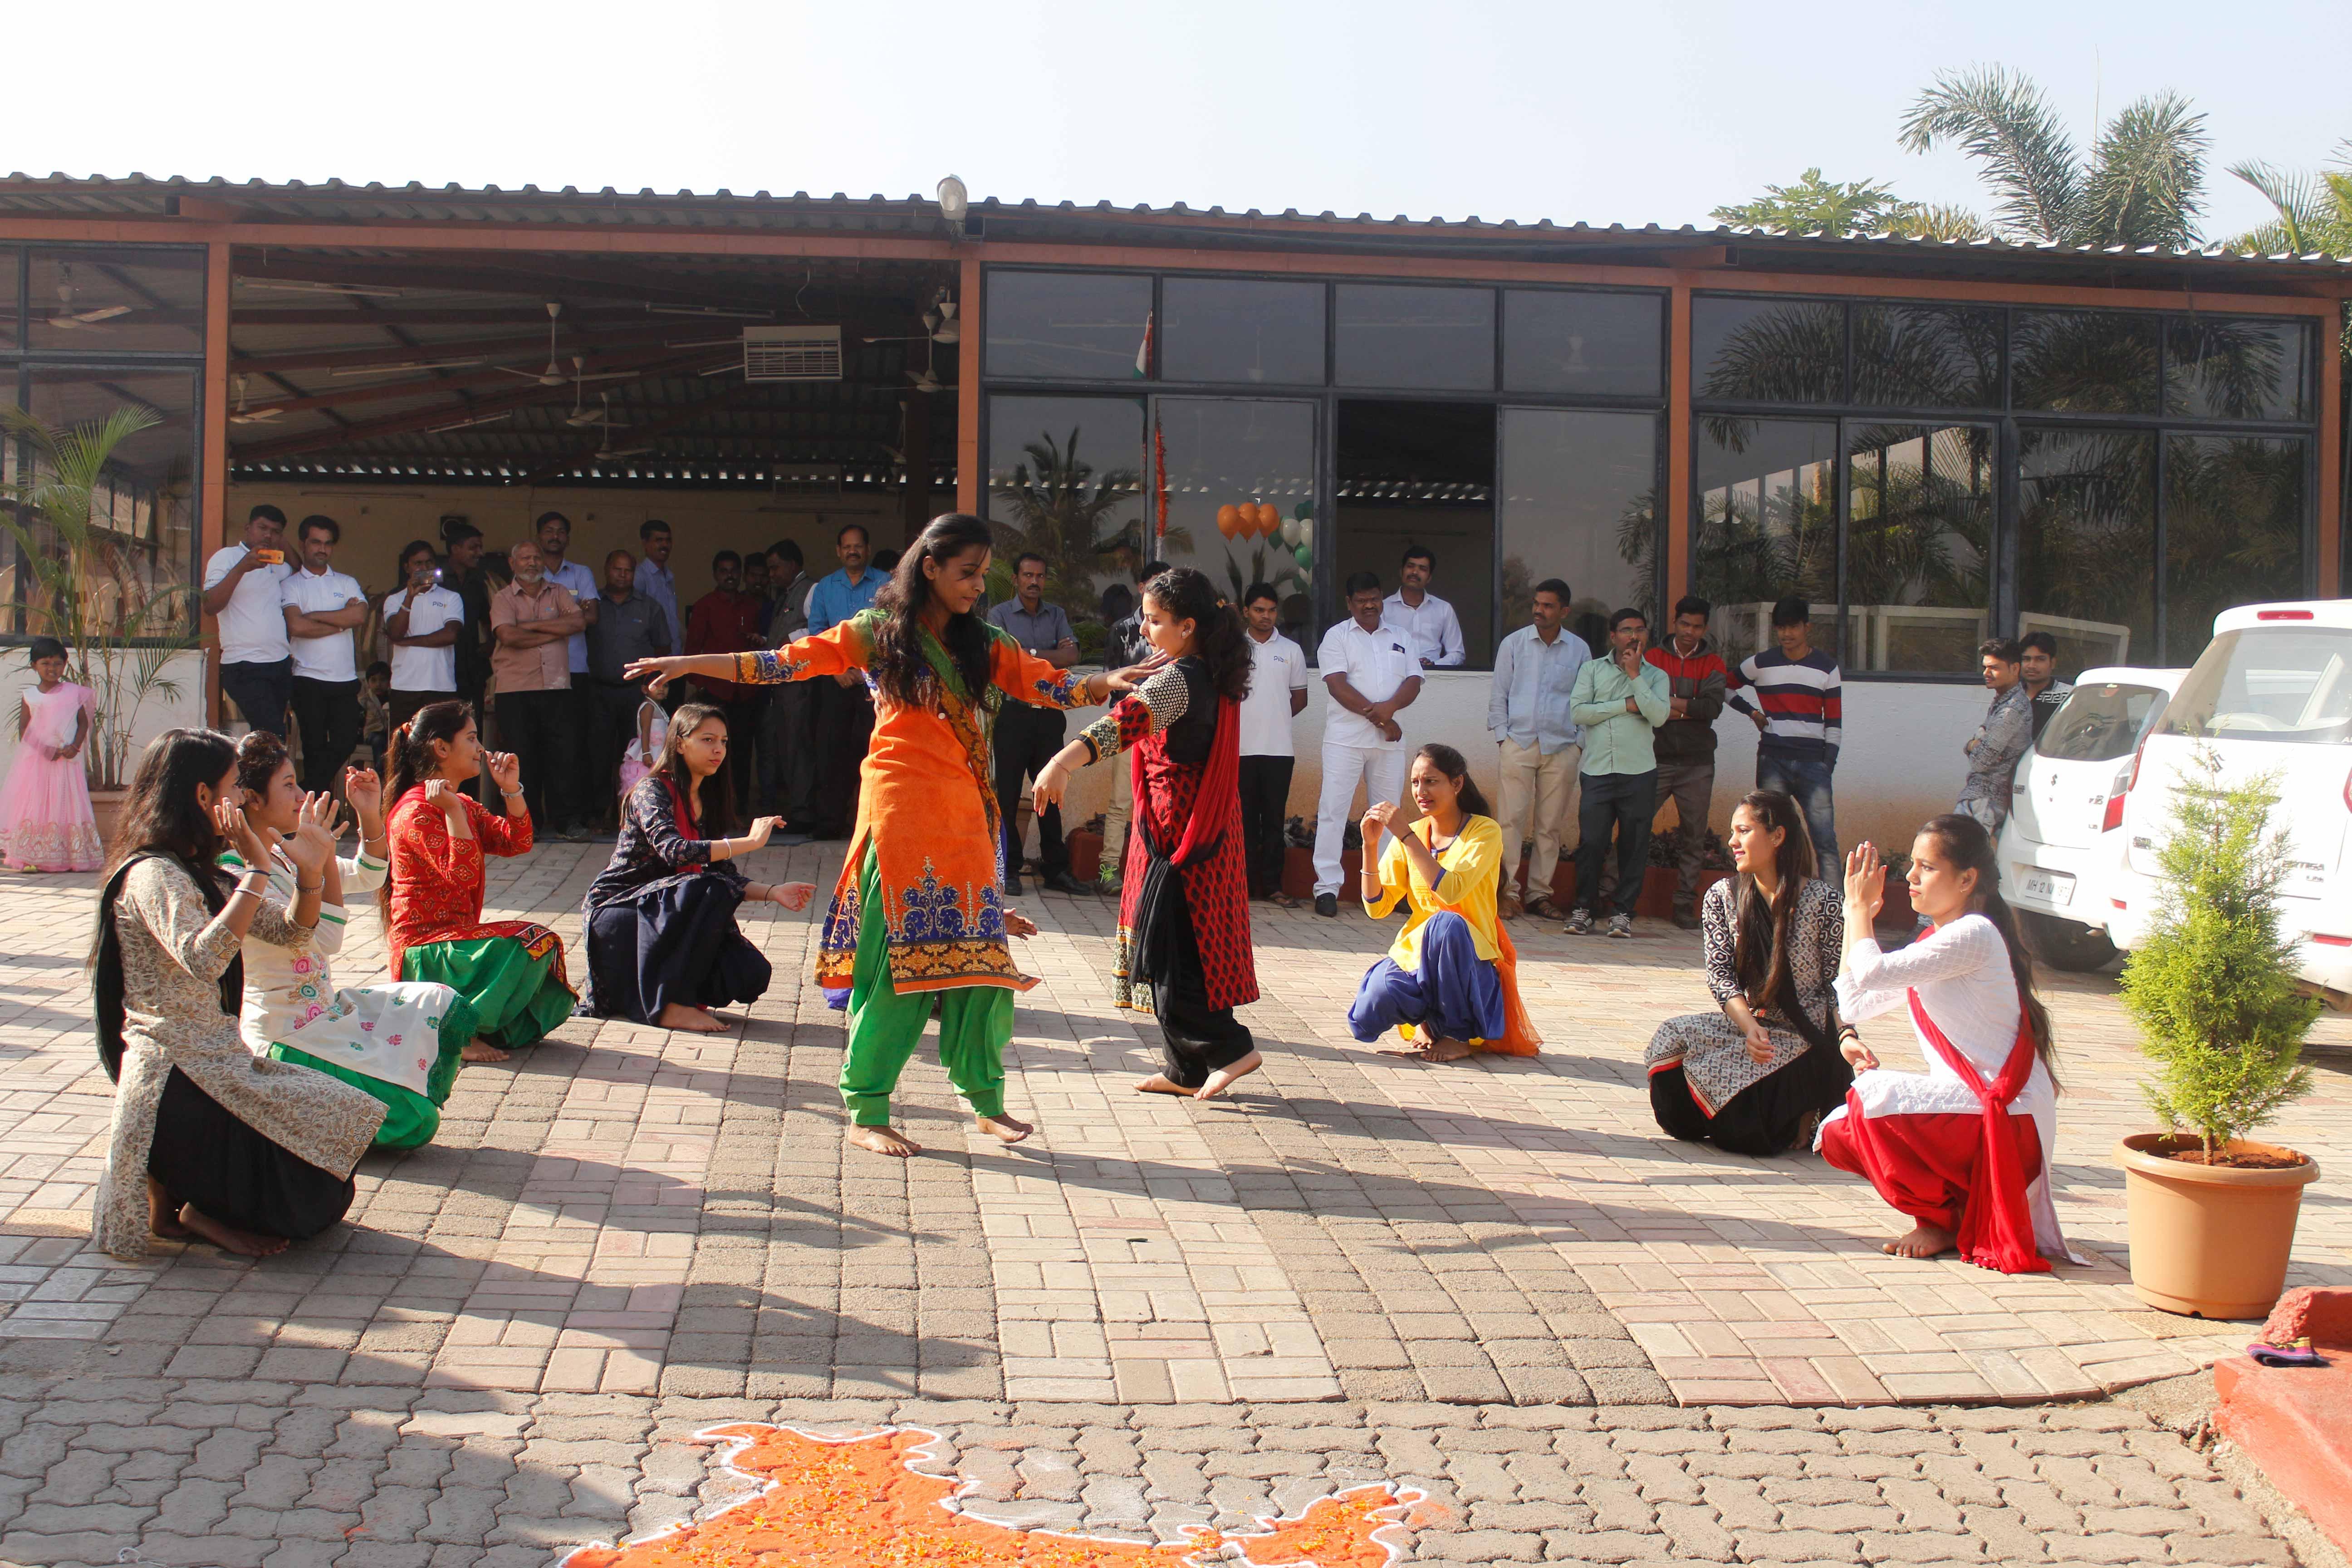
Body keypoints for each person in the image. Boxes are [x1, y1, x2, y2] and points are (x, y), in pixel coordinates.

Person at [625, 513, 1126, 1159]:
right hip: (900, 815)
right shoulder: (877, 633)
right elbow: (782, 663)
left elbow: (1046, 682)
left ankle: (986, 1101)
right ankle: (867, 1108)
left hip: (967, 820)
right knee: (899, 966)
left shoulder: (986, 641)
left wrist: (1104, 683)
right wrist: (691, 662)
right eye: (967, 573)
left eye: (982, 574)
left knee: (982, 967)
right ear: (930, 568)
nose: (979, 585)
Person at [88, 727, 386, 1260]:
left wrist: (313, 871)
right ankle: (196, 1209)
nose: (240, 797)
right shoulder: (155, 874)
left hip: (219, 1061)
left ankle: (190, 1206)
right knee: (309, 1201)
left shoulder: (201, 870)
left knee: (342, 1124)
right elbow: (204, 959)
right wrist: (256, 871)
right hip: (173, 1075)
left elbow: (295, 932)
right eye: (232, 788)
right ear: (203, 796)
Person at [1032, 567, 1264, 1099]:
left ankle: (1230, 1048)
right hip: (1190, 824)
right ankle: (1185, 1069)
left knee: (1172, 946)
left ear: (1187, 626)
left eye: (1154, 620)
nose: (1143, 629)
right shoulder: (1201, 669)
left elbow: (1122, 724)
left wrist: (1061, 764)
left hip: (1181, 833)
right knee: (1179, 943)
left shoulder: (1180, 679)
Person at [1821, 819, 2077, 1272]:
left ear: (1966, 880)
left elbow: (1873, 972)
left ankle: (1940, 1222)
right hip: (1980, 1109)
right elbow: (1856, 1000)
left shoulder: (1974, 934)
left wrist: (1859, 910)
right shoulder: (1938, 941)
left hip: (2010, 1115)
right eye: (1912, 865)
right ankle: (1951, 1216)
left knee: (1870, 1098)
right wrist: (1855, 916)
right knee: (1839, 1132)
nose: (1912, 877)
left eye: (1927, 867)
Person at [223, 733, 472, 1150]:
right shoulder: (234, 876)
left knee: (441, 1001)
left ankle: (388, 1089)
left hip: (328, 1013)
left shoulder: (284, 853)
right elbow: (326, 939)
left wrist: (368, 814)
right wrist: (320, 859)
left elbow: (370, 874)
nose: (301, 796)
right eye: (288, 785)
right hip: (287, 1036)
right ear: (251, 798)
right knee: (415, 1120)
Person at [580, 702, 814, 1032]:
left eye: (724, 742)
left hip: (666, 912)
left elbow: (723, 873)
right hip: (619, 911)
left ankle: (674, 995)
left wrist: (775, 893)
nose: (719, 749)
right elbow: (675, 851)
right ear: (679, 743)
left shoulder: (708, 798)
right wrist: (749, 841)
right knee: (705, 889)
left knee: (749, 974)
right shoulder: (651, 790)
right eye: (707, 740)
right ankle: (668, 1006)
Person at [1643, 791, 1852, 1155]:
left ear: (1778, 836)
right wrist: (1750, 1027)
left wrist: (1845, 1041)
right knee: (1672, 1037)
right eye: (1732, 832)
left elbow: (1839, 987)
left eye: (1743, 831)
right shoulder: (1722, 896)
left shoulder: (1825, 902)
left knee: (1741, 1137)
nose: (1732, 842)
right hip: (1749, 1024)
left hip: (1804, 1035)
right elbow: (1720, 976)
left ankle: (1803, 1105)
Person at [382, 700, 575, 1063]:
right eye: (471, 739)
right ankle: (454, 1031)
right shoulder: (416, 811)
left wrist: (511, 789)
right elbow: (464, 876)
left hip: (454, 944)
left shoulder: (460, 803)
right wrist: (453, 811)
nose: (481, 749)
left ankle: (470, 1022)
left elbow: (517, 841)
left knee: (538, 943)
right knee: (529, 941)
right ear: (442, 748)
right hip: (424, 953)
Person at [1347, 744, 1541, 1063]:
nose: (1421, 792)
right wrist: (1370, 845)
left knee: (1446, 924)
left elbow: (1451, 892)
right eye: (1415, 783)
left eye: (1431, 781)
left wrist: (1406, 837)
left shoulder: (1484, 831)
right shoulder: (1414, 833)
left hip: (1472, 964)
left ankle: (1457, 1033)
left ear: (1457, 783)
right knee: (1371, 1008)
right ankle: (1429, 1022)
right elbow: (1376, 907)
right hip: (1419, 957)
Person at [1313, 573, 1423, 918]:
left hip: (1387, 744)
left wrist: (1389, 712)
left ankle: (1388, 890)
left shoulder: (1401, 636)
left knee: (1389, 814)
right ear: (1350, 603)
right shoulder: (1337, 637)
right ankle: (1327, 888)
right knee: (1333, 811)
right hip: (1345, 740)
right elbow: (1337, 686)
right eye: (1361, 600)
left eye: (1374, 598)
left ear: (1382, 598)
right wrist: (1384, 720)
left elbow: (1414, 681)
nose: (1369, 605)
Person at [989, 552, 1089, 897]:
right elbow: (1004, 659)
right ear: (1016, 579)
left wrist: (1028, 654)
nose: (1034, 582)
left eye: (1040, 576)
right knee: (1007, 794)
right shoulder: (999, 615)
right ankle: (1009, 868)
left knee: (1052, 791)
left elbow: (1072, 656)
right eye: (1028, 575)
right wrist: (1049, 654)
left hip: (1048, 715)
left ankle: (1055, 869)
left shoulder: (1056, 615)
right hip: (1012, 716)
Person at [1566, 608, 1670, 939]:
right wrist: (1625, 705)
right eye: (1627, 630)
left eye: (1640, 630)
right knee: (1592, 843)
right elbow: (1578, 712)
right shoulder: (1592, 670)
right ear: (1613, 637)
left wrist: (1635, 675)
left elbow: (1659, 716)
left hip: (1639, 772)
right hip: (1598, 770)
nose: (1634, 637)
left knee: (1633, 845)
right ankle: (1584, 909)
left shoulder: (1656, 676)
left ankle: (1623, 913)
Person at [1488, 578, 1588, 921]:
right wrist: (1503, 737)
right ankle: (1507, 894)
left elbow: (1585, 699)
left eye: (1547, 606)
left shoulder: (1578, 650)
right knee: (1509, 822)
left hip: (1562, 747)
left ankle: (1539, 895)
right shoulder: (1514, 644)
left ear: (1564, 611)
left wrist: (1579, 743)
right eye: (1536, 604)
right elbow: (1499, 694)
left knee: (1550, 826)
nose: (1538, 611)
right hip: (1518, 742)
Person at [1728, 597, 1842, 882]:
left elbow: (1834, 722)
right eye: (1781, 628)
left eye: (1793, 627)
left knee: (1825, 842)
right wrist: (1752, 712)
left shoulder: (1827, 667)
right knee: (1769, 838)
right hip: (1773, 761)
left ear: (1807, 627)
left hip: (1813, 764)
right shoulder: (1760, 663)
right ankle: (1775, 898)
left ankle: (1835, 905)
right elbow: (1722, 686)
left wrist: (1827, 764)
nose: (1787, 634)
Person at [488, 539, 587, 839]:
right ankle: (528, 824)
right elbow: (509, 637)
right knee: (522, 758)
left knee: (563, 757)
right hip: (515, 689)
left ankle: (566, 823)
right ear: (513, 563)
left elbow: (578, 622)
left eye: (536, 558)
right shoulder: (503, 598)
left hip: (557, 686)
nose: (532, 563)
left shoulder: (559, 592)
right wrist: (553, 631)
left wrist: (528, 626)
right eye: (525, 558)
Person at [1649, 595, 1731, 931]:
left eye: (1697, 626)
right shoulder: (1652, 658)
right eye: (1685, 624)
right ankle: (1615, 898)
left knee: (1694, 837)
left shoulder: (1714, 663)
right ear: (1675, 622)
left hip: (1697, 763)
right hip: (1654, 758)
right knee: (1635, 828)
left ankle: (1684, 905)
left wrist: (1670, 704)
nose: (1690, 632)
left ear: (1705, 628)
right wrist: (1689, 706)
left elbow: (1712, 708)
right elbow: (1645, 703)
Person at [804, 522, 884, 840]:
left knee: (874, 751)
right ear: (839, 551)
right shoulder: (825, 587)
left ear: (868, 549)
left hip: (875, 684)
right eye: (847, 546)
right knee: (831, 751)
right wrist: (836, 671)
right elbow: (817, 633)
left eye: (858, 546)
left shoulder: (886, 584)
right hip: (835, 681)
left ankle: (873, 826)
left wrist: (865, 672)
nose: (853, 551)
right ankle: (830, 822)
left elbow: (893, 629)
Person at [278, 515, 368, 796]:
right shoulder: (291, 585)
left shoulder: (347, 582)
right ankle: (320, 807)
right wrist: (341, 621)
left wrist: (315, 616)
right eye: (316, 542)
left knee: (346, 742)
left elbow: (360, 616)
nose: (322, 549)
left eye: (328, 544)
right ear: (303, 544)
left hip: (344, 680)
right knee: (314, 748)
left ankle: (308, 792)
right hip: (307, 679)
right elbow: (297, 627)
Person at [585, 549, 673, 830]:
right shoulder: (592, 605)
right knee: (598, 754)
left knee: (636, 757)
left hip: (637, 694)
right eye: (617, 569)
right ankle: (599, 815)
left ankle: (634, 817)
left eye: (628, 570)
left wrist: (654, 686)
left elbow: (663, 649)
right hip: (599, 691)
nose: (623, 575)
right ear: (606, 570)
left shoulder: (649, 607)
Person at [1236, 582, 1309, 907]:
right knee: (1243, 822)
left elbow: (1300, 698)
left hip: (1279, 751)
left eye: (1271, 610)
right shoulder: (1235, 649)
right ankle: (1243, 886)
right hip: (1240, 750)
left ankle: (1273, 886)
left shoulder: (1292, 650)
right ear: (1246, 612)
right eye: (1259, 610)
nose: (1266, 616)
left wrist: (1274, 717)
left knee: (1274, 821)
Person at [0, 636, 100, 872]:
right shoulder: (30, 696)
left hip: (68, 760)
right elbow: (25, 729)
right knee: (38, 802)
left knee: (67, 802)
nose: (52, 668)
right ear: (34, 666)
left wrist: (74, 747)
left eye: (57, 663)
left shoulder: (75, 693)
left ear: (65, 665)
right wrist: (46, 750)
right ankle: (35, 855)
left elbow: (83, 723)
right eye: (45, 663)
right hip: (38, 761)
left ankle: (70, 856)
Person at [1098, 568, 1165, 895]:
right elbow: (1110, 681)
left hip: (1164, 731)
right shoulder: (1122, 629)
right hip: (1129, 726)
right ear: (1141, 588)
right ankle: (1108, 869)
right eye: (1155, 583)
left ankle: (1150, 875)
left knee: (1157, 805)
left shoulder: (1174, 630)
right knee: (1121, 801)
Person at [202, 504, 294, 738]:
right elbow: (210, 605)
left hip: (280, 663)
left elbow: (300, 570)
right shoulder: (227, 557)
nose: (268, 535)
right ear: (248, 528)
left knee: (266, 738)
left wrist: (280, 544)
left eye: (275, 532)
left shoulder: (276, 565)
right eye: (263, 528)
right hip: (244, 664)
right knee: (273, 735)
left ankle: (252, 765)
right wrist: (242, 568)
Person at [535, 512, 602, 834]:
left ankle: (569, 817)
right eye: (549, 531)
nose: (555, 536)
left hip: (574, 672)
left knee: (571, 748)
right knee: (537, 746)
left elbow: (591, 617)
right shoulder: (528, 574)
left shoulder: (581, 573)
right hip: (535, 672)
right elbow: (514, 624)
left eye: (561, 531)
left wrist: (539, 625)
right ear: (539, 536)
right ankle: (535, 819)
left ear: (568, 538)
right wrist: (568, 620)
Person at [757, 539, 817, 836]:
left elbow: (821, 629)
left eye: (775, 567)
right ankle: (790, 811)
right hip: (780, 686)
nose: (771, 574)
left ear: (793, 565)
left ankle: (803, 814)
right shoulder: (784, 595)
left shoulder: (811, 590)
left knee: (798, 747)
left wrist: (790, 640)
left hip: (800, 686)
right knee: (782, 747)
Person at [383, 539, 466, 733]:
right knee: (403, 745)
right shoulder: (395, 599)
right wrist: (409, 598)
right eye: (418, 564)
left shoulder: (451, 597)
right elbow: (395, 632)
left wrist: (406, 642)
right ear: (407, 568)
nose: (425, 568)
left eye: (429, 562)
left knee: (440, 744)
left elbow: (450, 635)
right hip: (405, 686)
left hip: (441, 685)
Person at [1957, 638, 2032, 833]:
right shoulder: (2003, 701)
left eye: (1994, 668)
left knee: (1963, 850)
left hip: (1987, 799)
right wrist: (1974, 744)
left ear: (2015, 669)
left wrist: (1973, 745)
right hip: (1983, 798)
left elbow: (1980, 762)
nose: (1986, 674)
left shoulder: (2012, 709)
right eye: (1985, 667)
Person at [441, 519, 494, 733]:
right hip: (441, 666)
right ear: (455, 549)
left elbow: (487, 619)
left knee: (471, 728)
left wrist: (490, 644)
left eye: (480, 547)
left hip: (472, 668)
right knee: (443, 728)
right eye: (474, 547)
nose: (480, 553)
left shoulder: (479, 582)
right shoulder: (436, 579)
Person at [1383, 544, 1465, 669]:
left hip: (1434, 676)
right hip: (1395, 675)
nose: (1415, 572)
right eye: (1410, 566)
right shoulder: (1384, 608)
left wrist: (1435, 665)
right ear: (1401, 571)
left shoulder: (1443, 609)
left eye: (1422, 569)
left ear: (1429, 578)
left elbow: (1457, 653)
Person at [633, 519, 682, 649]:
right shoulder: (639, 576)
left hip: (674, 651)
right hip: (652, 652)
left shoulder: (669, 576)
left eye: (668, 540)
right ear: (645, 543)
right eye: (659, 540)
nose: (665, 545)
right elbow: (635, 620)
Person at [2020, 632, 2072, 742]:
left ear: (2053, 663)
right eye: (2026, 659)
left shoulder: (2069, 696)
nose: (2032, 666)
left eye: (2040, 659)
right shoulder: (2012, 695)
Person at [359, 662, 392, 774]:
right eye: (374, 680)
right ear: (368, 682)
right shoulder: (365, 701)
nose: (378, 684)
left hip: (389, 733)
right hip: (372, 734)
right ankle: (380, 773)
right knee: (379, 741)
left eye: (383, 680)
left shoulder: (393, 698)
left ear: (389, 682)